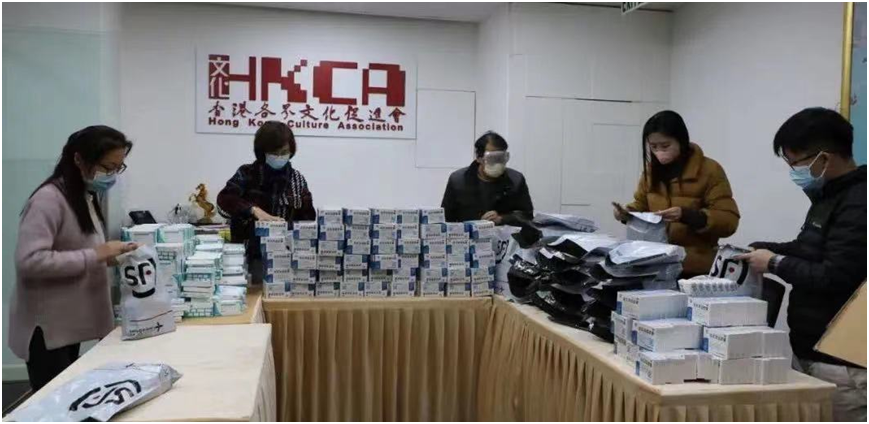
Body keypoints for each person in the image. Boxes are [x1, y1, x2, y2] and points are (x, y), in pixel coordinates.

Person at [737, 108, 866, 422]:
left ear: (825, 157)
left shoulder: (859, 201)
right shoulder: (827, 195)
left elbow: (834, 276)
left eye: (796, 163)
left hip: (842, 362)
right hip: (811, 347)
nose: (794, 171)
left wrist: (774, 263)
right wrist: (766, 249)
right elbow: (809, 249)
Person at [10, 126, 138, 391]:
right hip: (47, 328)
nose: (112, 175)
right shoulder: (48, 199)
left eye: (119, 168)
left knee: (71, 394)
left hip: (68, 323)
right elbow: (30, 261)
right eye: (107, 167)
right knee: (53, 400)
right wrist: (97, 254)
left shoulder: (84, 195)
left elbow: (78, 249)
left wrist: (114, 257)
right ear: (78, 159)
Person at [613, 111, 740, 276]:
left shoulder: (709, 170)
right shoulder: (651, 173)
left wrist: (686, 215)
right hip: (655, 264)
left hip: (695, 267)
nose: (659, 152)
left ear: (681, 140)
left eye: (665, 146)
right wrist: (627, 214)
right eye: (653, 147)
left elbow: (729, 221)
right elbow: (642, 205)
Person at [217, 121, 315, 283]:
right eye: (274, 153)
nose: (279, 157)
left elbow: (308, 221)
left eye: (284, 152)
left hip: (285, 258)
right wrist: (254, 210)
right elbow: (224, 201)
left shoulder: (297, 180)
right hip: (248, 256)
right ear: (262, 152)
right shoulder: (247, 174)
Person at [441, 131, 533, 225]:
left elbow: (527, 215)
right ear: (479, 158)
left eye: (501, 158)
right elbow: (446, 218)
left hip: (506, 233)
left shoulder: (516, 180)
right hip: (469, 232)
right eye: (493, 158)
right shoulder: (458, 181)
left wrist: (502, 219)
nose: (498, 163)